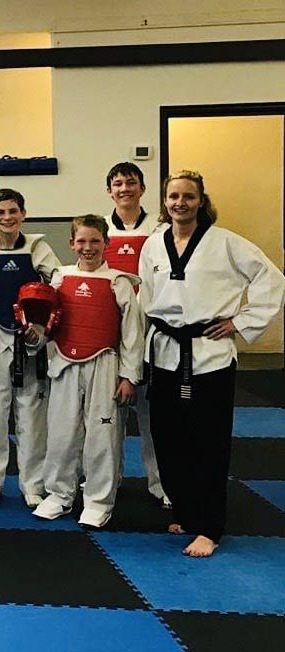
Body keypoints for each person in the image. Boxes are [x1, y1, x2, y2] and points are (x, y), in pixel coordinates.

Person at [141, 171, 284, 557]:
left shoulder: (226, 243)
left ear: (201, 201)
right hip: (166, 352)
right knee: (169, 440)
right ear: (165, 201)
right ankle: (188, 513)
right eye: (173, 196)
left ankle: (210, 527)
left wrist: (241, 321)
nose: (180, 203)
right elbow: (147, 300)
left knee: (209, 443)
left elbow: (272, 278)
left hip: (210, 355)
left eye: (189, 196)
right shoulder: (154, 244)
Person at [33, 215, 145, 529]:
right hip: (65, 363)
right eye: (81, 241)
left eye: (95, 241)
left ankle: (98, 501)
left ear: (106, 244)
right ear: (71, 244)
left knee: (102, 435)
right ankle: (59, 494)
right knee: (61, 432)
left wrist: (129, 376)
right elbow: (48, 324)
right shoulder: (59, 278)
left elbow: (132, 333)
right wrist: (36, 334)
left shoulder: (118, 282)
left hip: (105, 363)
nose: (88, 247)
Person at [0, 189, 61, 508]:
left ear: (24, 214)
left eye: (13, 211)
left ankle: (33, 484)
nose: (7, 217)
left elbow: (57, 286)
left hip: (29, 339)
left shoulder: (37, 247)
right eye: (0, 212)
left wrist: (44, 329)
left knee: (32, 415)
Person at [103, 162, 168, 508]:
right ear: (109, 191)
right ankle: (104, 481)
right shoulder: (100, 232)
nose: (124, 188)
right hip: (111, 334)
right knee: (108, 414)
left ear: (143, 189)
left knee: (152, 414)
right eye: (117, 183)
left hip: (152, 331)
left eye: (131, 182)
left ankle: (161, 481)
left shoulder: (160, 230)